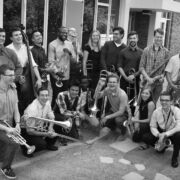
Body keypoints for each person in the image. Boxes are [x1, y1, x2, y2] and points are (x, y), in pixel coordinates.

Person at [6, 27, 42, 115]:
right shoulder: (7, 49)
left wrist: (39, 79)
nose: (19, 37)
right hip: (11, 75)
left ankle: (25, 117)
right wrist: (17, 77)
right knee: (14, 99)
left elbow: (33, 65)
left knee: (27, 96)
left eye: (20, 34)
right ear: (11, 38)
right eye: (16, 35)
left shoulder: (26, 48)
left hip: (25, 73)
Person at [143, 92, 180, 168]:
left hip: (172, 134)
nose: (164, 102)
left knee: (178, 135)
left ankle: (174, 158)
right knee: (146, 137)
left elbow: (179, 126)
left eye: (167, 100)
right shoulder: (156, 112)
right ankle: (162, 146)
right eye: (162, 100)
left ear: (171, 101)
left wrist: (166, 134)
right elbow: (152, 126)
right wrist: (158, 135)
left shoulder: (177, 111)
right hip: (161, 133)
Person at [21, 87, 58, 157]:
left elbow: (52, 117)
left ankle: (48, 145)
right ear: (37, 96)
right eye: (42, 95)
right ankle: (25, 148)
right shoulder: (32, 109)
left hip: (38, 126)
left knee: (55, 127)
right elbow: (30, 131)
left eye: (46, 95)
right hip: (26, 131)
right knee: (41, 144)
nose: (45, 97)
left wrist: (50, 128)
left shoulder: (47, 102)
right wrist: (47, 134)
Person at [0, 64, 20, 179]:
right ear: (1, 76)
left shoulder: (13, 88)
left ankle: (3, 158)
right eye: (10, 75)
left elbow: (16, 109)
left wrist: (17, 124)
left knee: (10, 140)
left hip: (9, 123)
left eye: (14, 74)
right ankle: (6, 168)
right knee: (14, 142)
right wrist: (8, 129)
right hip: (1, 124)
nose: (13, 77)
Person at [139, 28, 170, 104]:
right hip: (147, 82)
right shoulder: (146, 50)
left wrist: (163, 76)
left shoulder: (166, 52)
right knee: (143, 103)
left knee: (153, 103)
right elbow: (141, 67)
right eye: (157, 37)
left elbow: (166, 69)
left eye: (160, 37)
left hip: (158, 84)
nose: (159, 39)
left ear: (162, 38)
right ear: (154, 37)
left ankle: (151, 116)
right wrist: (148, 78)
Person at [48, 26, 76, 107]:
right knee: (56, 96)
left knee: (64, 96)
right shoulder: (52, 44)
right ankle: (54, 114)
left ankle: (63, 113)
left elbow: (74, 61)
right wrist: (57, 72)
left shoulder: (69, 44)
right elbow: (51, 61)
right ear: (58, 33)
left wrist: (70, 53)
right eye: (63, 32)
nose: (65, 34)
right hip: (56, 76)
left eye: (66, 33)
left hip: (66, 75)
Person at [97, 73, 129, 139]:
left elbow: (121, 112)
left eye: (114, 82)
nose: (112, 84)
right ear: (107, 83)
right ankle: (113, 127)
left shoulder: (122, 94)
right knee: (102, 132)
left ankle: (124, 132)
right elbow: (96, 97)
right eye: (110, 82)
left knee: (118, 120)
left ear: (117, 83)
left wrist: (107, 117)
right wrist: (99, 86)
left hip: (124, 114)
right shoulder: (107, 89)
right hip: (113, 111)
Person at [118, 31, 142, 106]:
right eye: (130, 38)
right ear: (128, 39)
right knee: (123, 99)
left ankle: (132, 116)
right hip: (124, 79)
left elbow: (142, 68)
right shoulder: (123, 52)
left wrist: (134, 75)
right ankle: (123, 115)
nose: (132, 40)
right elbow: (119, 66)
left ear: (137, 39)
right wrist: (126, 77)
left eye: (134, 38)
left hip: (136, 80)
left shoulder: (142, 52)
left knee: (134, 100)